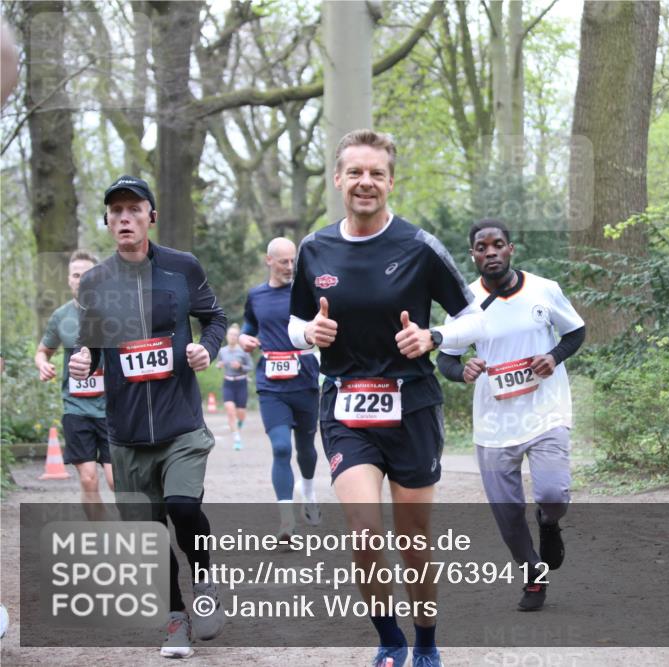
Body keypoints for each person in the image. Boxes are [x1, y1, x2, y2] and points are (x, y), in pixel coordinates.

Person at [288, 129, 488, 667]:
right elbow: (293, 321)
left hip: (413, 406)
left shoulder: (418, 246)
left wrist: (434, 337)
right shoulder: (314, 249)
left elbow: (472, 316)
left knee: (414, 537)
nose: (365, 182)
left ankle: (425, 638)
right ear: (338, 179)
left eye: (376, 173)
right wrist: (309, 335)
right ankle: (389, 639)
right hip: (347, 408)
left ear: (391, 181)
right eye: (355, 172)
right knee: (364, 530)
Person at [69, 175, 227, 658]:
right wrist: (84, 359)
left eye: (134, 209)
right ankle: (175, 621)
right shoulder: (95, 282)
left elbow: (215, 318)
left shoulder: (182, 268)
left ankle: (204, 585)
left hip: (180, 423)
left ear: (149, 217)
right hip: (127, 431)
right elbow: (93, 345)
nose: (124, 217)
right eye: (115, 210)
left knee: (182, 508)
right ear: (107, 221)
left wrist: (206, 349)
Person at [436, 219, 585, 612]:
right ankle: (532, 576)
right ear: (473, 255)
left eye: (497, 245)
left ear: (510, 249)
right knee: (507, 513)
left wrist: (553, 356)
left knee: (553, 494)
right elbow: (446, 359)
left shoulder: (543, 289)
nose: (490, 253)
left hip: (545, 411)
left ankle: (549, 522)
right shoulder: (464, 301)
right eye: (481, 248)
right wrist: (462, 370)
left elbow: (576, 333)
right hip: (494, 422)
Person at [240, 237, 322, 537]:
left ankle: (310, 494)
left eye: (293, 261)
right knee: (280, 447)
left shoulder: (307, 292)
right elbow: (249, 328)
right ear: (269, 261)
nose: (290, 267)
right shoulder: (256, 296)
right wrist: (244, 340)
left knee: (305, 449)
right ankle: (287, 520)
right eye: (284, 261)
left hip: (305, 379)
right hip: (270, 383)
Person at [35, 250, 115, 520]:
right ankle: (102, 535)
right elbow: (42, 351)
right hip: (76, 407)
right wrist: (42, 364)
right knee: (89, 480)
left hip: (110, 408)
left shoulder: (114, 312)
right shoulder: (61, 317)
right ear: (69, 280)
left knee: (117, 481)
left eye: (88, 275)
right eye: (76, 275)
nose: (82, 280)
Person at [217, 323, 252, 450]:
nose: (232, 337)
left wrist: (241, 367)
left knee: (241, 413)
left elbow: (250, 367)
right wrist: (219, 365)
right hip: (228, 383)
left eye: (235, 335)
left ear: (238, 337)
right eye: (231, 334)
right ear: (227, 336)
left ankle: (238, 426)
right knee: (230, 411)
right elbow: (218, 364)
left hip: (241, 383)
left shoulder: (243, 351)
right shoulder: (222, 351)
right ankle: (236, 437)